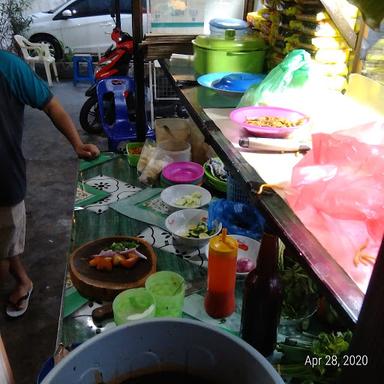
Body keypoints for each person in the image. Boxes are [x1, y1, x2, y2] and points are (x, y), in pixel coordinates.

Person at [0, 49, 100, 317]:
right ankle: (23, 280)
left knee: (4, 245)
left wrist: (77, 144)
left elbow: (51, 104)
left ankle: (21, 282)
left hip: (4, 181)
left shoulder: (8, 67)